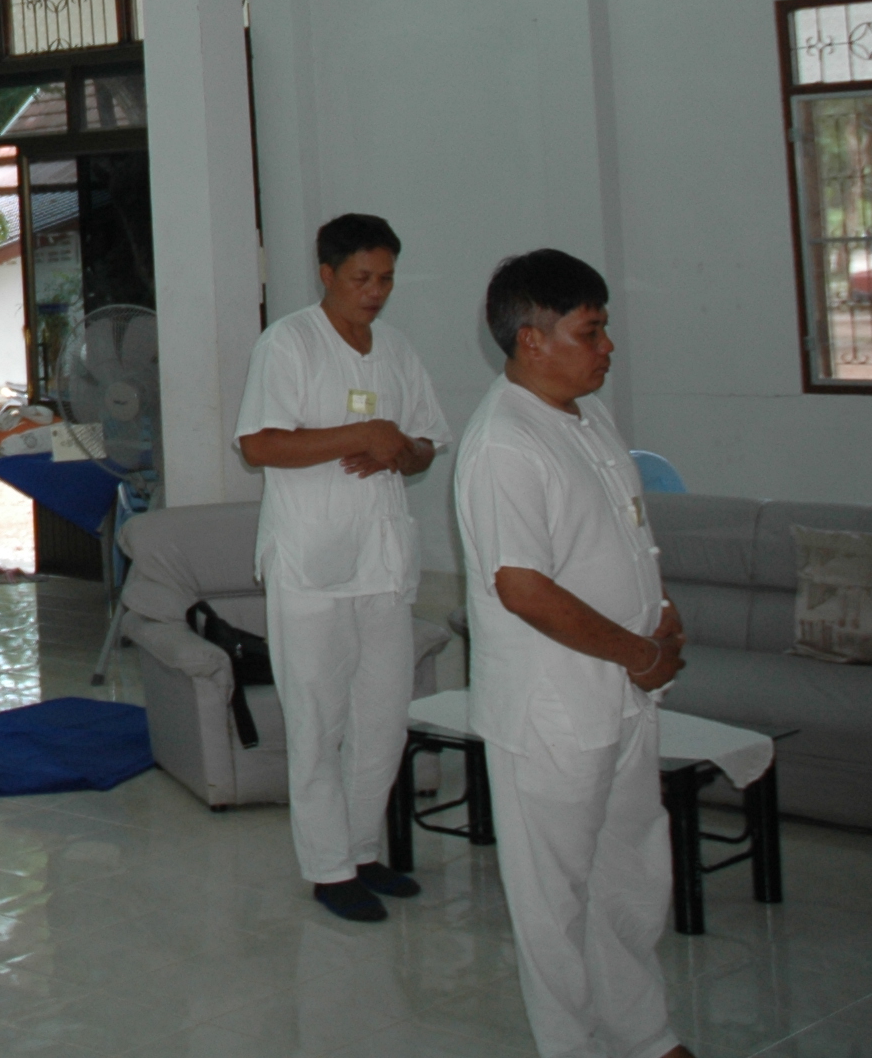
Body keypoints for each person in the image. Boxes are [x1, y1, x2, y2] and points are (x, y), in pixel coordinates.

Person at [455, 251, 692, 1058]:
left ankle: (644, 1034)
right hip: (552, 709)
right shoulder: (504, 443)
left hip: (622, 692)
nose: (608, 347)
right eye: (590, 332)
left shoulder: (587, 415)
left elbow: (625, 529)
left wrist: (661, 611)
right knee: (553, 902)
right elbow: (523, 588)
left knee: (629, 876)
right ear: (532, 340)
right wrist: (640, 654)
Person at [232, 212, 453, 923]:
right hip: (311, 565)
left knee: (383, 721)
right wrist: (360, 433)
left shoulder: (396, 349)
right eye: (362, 278)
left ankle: (363, 850)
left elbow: (427, 443)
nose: (375, 292)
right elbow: (259, 445)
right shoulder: (289, 342)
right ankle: (329, 870)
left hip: (381, 563)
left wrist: (401, 452)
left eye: (385, 279)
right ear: (327, 274)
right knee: (318, 722)